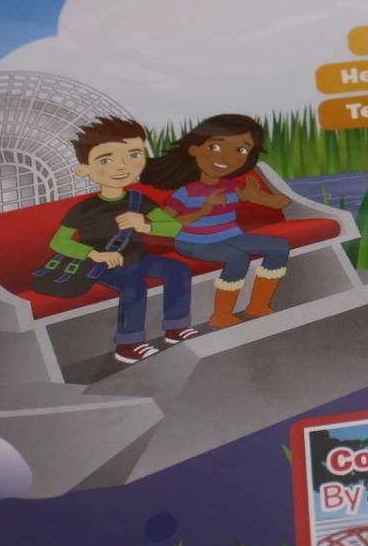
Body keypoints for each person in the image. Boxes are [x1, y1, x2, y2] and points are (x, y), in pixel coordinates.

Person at [51, 117, 195, 364]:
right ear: (84, 169)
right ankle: (128, 345)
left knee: (179, 270)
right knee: (133, 286)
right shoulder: (85, 208)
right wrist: (94, 254)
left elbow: (173, 228)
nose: (122, 167)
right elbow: (59, 242)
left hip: (138, 258)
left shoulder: (138, 200)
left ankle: (176, 328)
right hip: (100, 265)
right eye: (106, 160)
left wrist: (146, 225)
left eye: (133, 155)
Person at [143, 114, 292, 328]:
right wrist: (204, 210)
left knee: (279, 246)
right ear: (194, 149)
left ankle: (258, 305)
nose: (226, 157)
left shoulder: (234, 187)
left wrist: (255, 196)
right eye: (215, 147)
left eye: (241, 150)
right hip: (192, 241)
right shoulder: (186, 192)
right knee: (237, 258)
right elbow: (161, 225)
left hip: (231, 236)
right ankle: (221, 314)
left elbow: (281, 202)